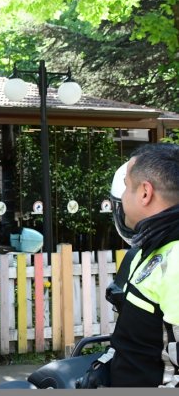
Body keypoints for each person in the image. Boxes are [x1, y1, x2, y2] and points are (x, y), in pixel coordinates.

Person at [107, 143, 179, 387]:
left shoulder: (176, 259)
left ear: (145, 193)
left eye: (127, 186)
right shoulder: (150, 250)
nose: (123, 196)